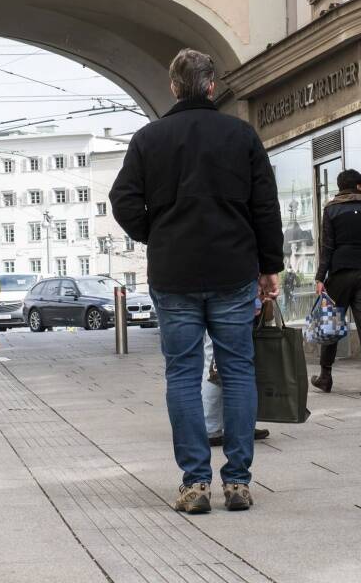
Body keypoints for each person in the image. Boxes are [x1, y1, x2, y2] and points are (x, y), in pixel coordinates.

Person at [111, 48, 284, 515]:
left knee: (183, 375)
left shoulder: (149, 139)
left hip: (175, 274)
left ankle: (194, 482)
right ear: (211, 87)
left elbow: (123, 201)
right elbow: (265, 206)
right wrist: (269, 267)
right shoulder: (240, 135)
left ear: (173, 86)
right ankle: (239, 481)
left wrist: (157, 234)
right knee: (238, 372)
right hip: (233, 271)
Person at [313, 169, 361, 397]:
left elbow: (328, 247)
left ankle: (325, 375)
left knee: (331, 322)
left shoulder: (331, 210)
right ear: (358, 186)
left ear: (340, 186)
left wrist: (320, 277)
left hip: (340, 274)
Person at [204, 296, 270, 447]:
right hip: (231, 295)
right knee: (230, 365)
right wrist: (256, 300)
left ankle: (215, 427)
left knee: (214, 360)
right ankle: (223, 428)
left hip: (201, 293)